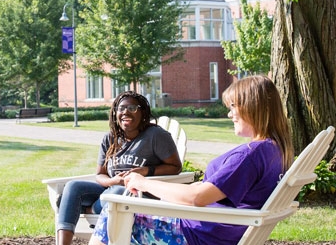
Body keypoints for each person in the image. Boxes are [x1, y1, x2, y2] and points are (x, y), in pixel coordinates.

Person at [89, 75, 294, 245]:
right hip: (218, 228)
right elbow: (213, 190)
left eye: (233, 106)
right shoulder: (274, 150)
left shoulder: (249, 155)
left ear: (252, 106)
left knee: (112, 212)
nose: (230, 113)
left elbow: (197, 198)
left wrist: (143, 182)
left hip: (199, 233)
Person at [55, 91, 182, 245]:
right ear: (115, 113)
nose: (125, 112)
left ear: (143, 112)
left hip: (139, 195)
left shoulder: (155, 136)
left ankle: (89, 209)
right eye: (121, 108)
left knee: (118, 193)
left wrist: (146, 171)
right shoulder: (110, 138)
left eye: (132, 108)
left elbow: (175, 167)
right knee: (73, 187)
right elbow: (100, 175)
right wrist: (113, 180)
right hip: (110, 191)